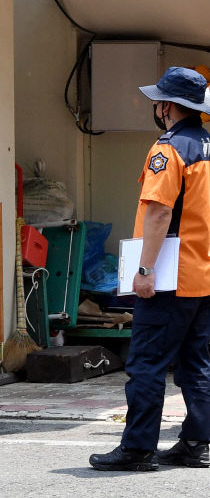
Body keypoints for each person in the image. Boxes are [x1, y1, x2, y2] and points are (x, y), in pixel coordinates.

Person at [89, 66, 210, 472]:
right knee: (197, 364)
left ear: (168, 107)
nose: (155, 107)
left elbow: (159, 213)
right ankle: (196, 443)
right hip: (204, 276)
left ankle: (138, 449)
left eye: (158, 100)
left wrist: (144, 269)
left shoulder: (168, 148)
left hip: (170, 278)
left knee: (146, 364)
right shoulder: (208, 146)